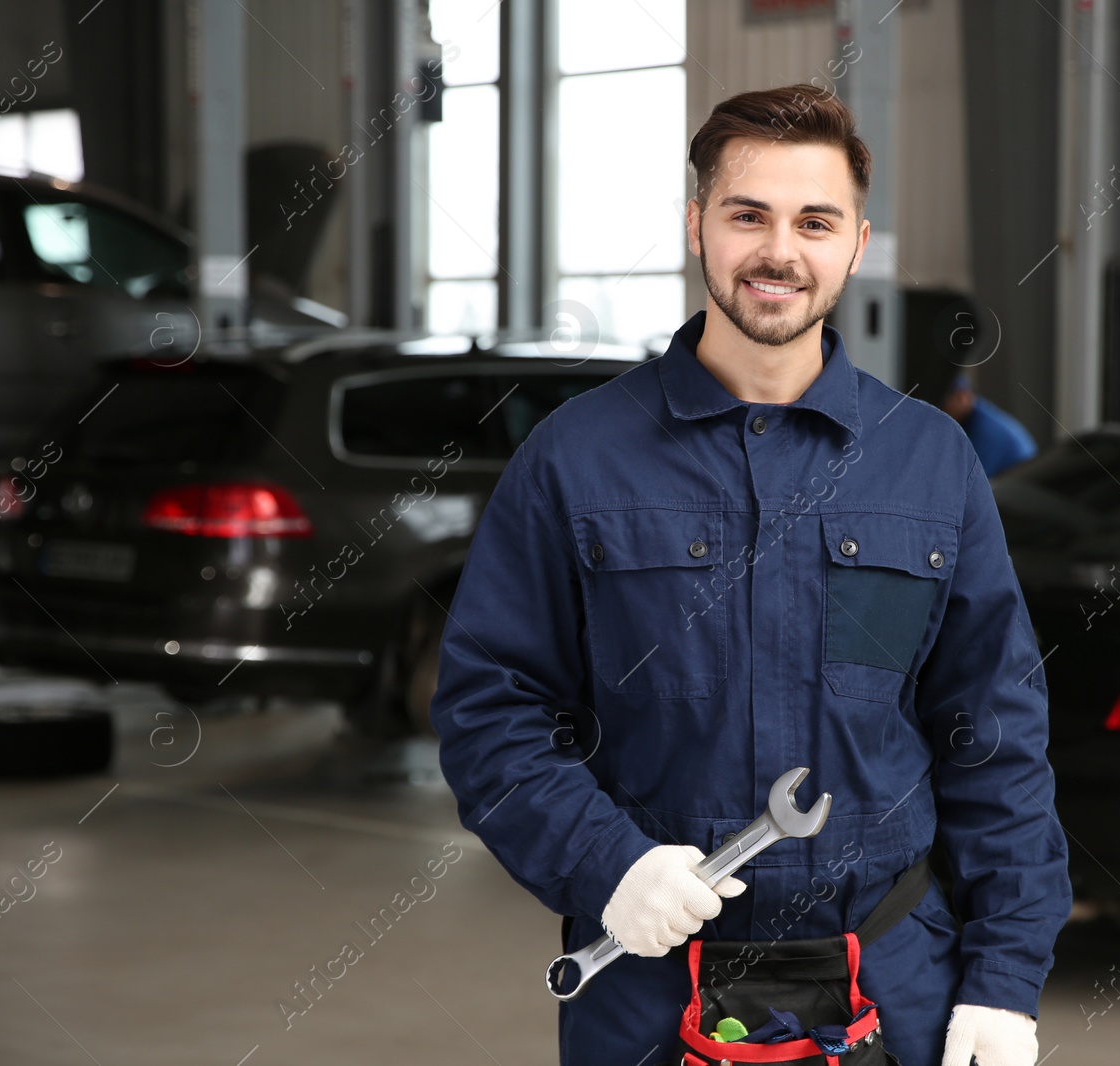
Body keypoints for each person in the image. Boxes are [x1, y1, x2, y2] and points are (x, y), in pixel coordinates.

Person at [430, 82, 1069, 1066]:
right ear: (697, 226)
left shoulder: (932, 465)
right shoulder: (574, 459)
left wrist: (1003, 978)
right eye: (747, 215)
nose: (780, 251)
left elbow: (994, 736)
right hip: (648, 987)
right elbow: (490, 708)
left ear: (856, 243)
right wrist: (606, 863)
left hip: (893, 985)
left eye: (815, 220)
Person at [941, 371, 1038, 477]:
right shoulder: (967, 419)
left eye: (943, 404)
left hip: (1021, 482)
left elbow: (973, 481)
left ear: (962, 397)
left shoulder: (984, 430)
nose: (941, 410)